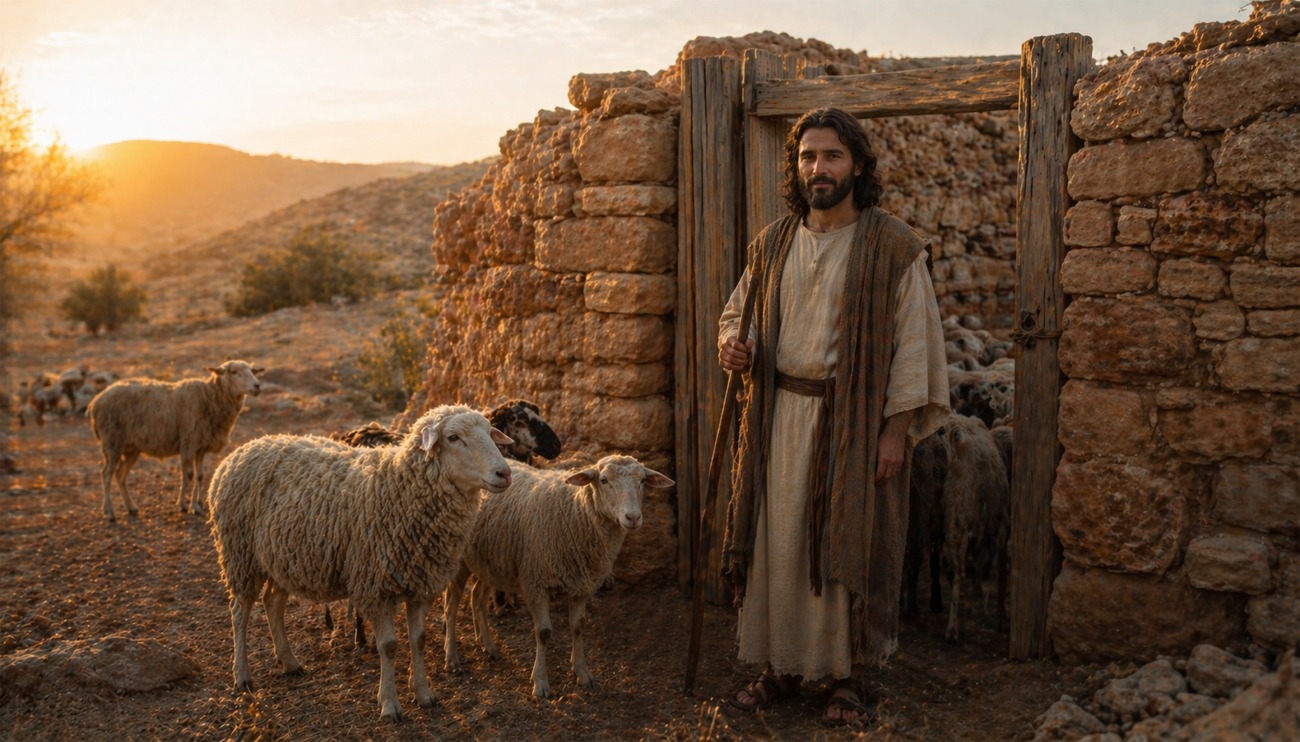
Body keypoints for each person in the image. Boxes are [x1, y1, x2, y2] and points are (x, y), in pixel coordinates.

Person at [717, 107, 950, 725]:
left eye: (832, 156)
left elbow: (915, 345)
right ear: (796, 168)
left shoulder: (894, 247)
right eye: (807, 157)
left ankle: (845, 677)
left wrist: (895, 432)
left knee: (845, 544)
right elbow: (737, 314)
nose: (818, 168)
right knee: (778, 544)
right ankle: (780, 666)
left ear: (858, 165)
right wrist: (733, 346)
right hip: (776, 419)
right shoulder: (773, 244)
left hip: (850, 427)